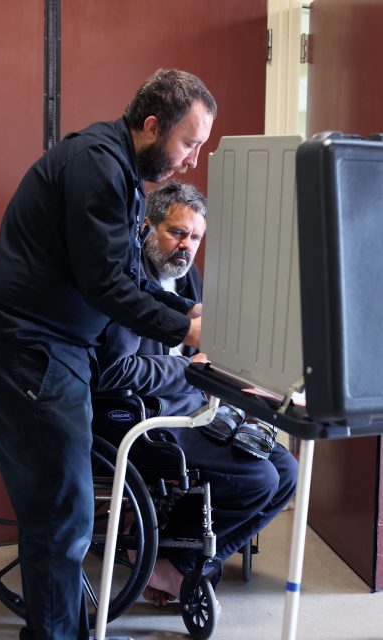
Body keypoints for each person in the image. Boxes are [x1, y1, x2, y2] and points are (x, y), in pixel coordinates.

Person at [0, 69, 217, 640]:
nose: (193, 160)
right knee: (61, 515)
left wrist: (190, 317)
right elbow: (107, 287)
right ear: (153, 127)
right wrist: (184, 328)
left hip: (44, 344)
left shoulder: (116, 169)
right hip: (28, 345)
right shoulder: (100, 165)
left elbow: (123, 275)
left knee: (61, 515)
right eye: (190, 143)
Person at [91, 180, 298, 606]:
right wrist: (187, 369)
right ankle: (166, 552)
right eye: (177, 232)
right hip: (141, 416)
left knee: (287, 472)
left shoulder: (188, 281)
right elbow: (115, 371)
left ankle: (181, 563)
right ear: (147, 226)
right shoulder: (128, 281)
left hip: (195, 407)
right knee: (258, 478)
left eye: (196, 237)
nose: (186, 246)